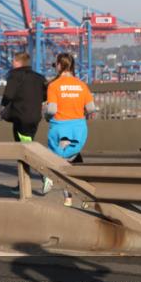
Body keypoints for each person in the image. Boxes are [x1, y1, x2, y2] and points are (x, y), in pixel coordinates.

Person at [41, 53, 96, 195]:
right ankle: (77, 188)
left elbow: (52, 109)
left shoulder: (54, 85)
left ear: (59, 65)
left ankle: (49, 176)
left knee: (54, 156)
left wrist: (46, 116)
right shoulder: (81, 85)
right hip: (79, 128)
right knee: (72, 156)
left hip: (60, 127)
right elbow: (91, 108)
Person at [1, 52, 46, 143]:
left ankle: (27, 152)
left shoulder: (14, 76)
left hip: (20, 115)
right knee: (29, 139)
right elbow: (45, 96)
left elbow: (8, 95)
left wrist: (3, 105)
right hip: (35, 116)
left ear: (17, 62)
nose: (12, 63)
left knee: (22, 143)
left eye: (13, 60)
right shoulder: (39, 78)